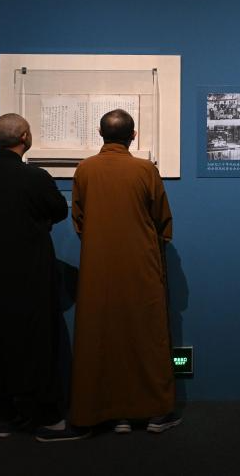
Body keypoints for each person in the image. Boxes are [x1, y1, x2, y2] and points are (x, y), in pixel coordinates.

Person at [64, 108, 178, 437]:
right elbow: (162, 220)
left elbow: (79, 220)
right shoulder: (145, 170)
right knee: (146, 335)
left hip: (98, 266)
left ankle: (111, 413)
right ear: (133, 135)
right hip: (141, 264)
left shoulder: (85, 169)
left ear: (100, 134)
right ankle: (154, 411)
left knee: (101, 336)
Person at [0, 113, 82, 441]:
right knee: (37, 338)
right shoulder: (35, 177)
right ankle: (48, 417)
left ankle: (7, 415)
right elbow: (59, 210)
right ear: (25, 137)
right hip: (31, 268)